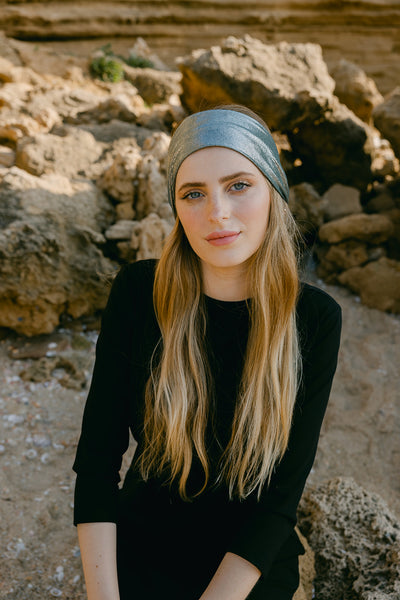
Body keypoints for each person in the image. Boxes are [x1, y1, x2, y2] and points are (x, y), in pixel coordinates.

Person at [73, 105, 342, 600]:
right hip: (141, 553)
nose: (217, 212)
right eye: (193, 193)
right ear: (176, 207)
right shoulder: (139, 292)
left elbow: (279, 500)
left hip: (247, 569)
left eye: (239, 185)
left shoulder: (314, 319)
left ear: (273, 191)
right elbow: (97, 461)